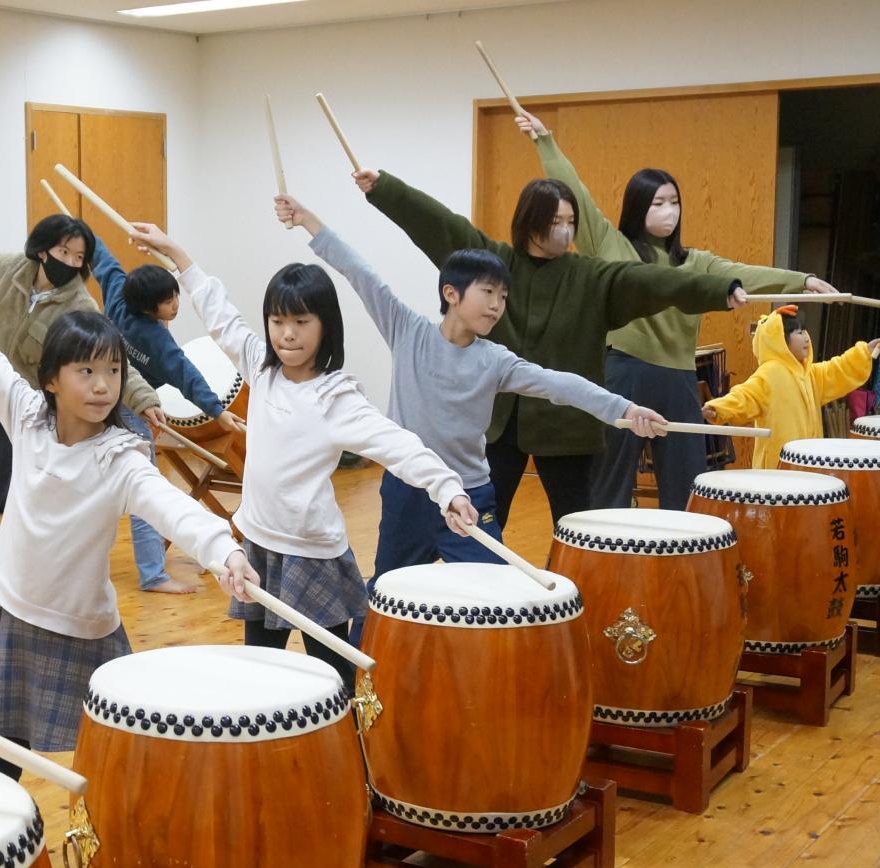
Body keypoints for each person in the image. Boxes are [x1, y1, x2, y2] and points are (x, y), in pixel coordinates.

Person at [0, 249, 255, 769]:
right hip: (19, 613)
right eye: (86, 371)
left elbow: (173, 507)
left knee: (117, 754)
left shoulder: (119, 457)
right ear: (50, 380)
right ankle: (12, 842)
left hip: (85, 625)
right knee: (4, 753)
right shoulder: (26, 417)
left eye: (113, 370)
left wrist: (224, 551)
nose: (104, 385)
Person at [127, 222, 476, 692]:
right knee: (261, 678)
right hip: (258, 547)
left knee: (333, 682)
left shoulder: (336, 396)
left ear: (325, 326)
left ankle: (346, 755)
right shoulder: (260, 367)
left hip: (313, 556)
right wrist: (177, 255)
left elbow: (398, 444)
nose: (286, 334)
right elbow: (220, 314)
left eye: (300, 322)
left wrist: (447, 488)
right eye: (277, 321)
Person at [270, 194, 664, 583]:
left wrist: (625, 410)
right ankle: (368, 647)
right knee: (389, 591)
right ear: (451, 294)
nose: (497, 305)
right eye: (488, 292)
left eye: (503, 296)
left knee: (494, 591)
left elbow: (559, 384)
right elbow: (359, 271)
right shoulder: (407, 330)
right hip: (409, 491)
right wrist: (308, 220)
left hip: (470, 494)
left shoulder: (495, 360)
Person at [356, 167, 745, 538]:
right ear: (530, 220)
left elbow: (654, 281)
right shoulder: (496, 264)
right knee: (481, 529)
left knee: (581, 530)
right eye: (555, 221)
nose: (565, 230)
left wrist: (718, 290)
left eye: (570, 221)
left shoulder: (591, 277)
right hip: (498, 429)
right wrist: (385, 188)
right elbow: (437, 222)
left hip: (569, 430)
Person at [516, 113, 836, 510]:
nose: (670, 211)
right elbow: (576, 193)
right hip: (624, 373)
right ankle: (602, 561)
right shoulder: (610, 244)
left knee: (686, 482)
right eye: (659, 202)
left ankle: (680, 561)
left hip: (680, 379)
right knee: (610, 480)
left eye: (675, 202)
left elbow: (742, 273)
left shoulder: (695, 262)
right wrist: (545, 140)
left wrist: (800, 281)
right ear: (638, 207)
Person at [0, 215, 168, 605]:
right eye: (64, 251)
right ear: (43, 248)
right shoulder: (12, 267)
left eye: (79, 256)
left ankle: (22, 580)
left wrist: (144, 399)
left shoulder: (79, 304)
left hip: (34, 417)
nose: (69, 261)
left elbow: (108, 359)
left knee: (29, 502)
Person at [91, 240, 247, 594]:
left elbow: (104, 261)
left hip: (95, 405)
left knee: (99, 488)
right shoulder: (156, 342)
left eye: (174, 295)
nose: (176, 304)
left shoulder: (117, 295)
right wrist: (218, 412)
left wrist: (86, 237)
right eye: (169, 301)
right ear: (149, 308)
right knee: (144, 493)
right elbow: (186, 374)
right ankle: (153, 575)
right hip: (133, 411)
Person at [704, 307, 880, 466]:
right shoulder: (770, 373)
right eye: (798, 333)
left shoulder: (809, 374)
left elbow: (837, 369)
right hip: (779, 467)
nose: (806, 337)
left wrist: (864, 352)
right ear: (780, 341)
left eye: (804, 331)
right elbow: (746, 395)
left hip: (807, 462)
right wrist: (719, 408)